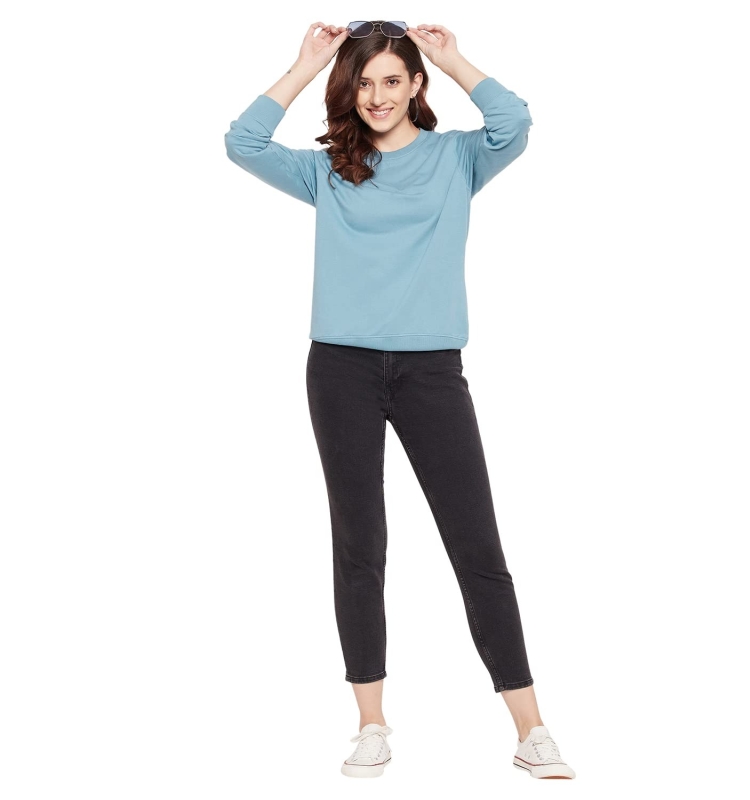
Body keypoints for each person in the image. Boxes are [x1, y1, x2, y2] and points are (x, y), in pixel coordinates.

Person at [224, 20, 576, 780]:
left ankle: (532, 729)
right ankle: (371, 724)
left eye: (392, 80)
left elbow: (514, 123)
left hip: (431, 373)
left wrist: (452, 59)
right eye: (364, 82)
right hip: (340, 370)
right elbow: (243, 142)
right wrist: (306, 63)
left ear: (415, 85)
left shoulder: (458, 159)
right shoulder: (329, 170)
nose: (377, 96)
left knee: (476, 545)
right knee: (360, 545)